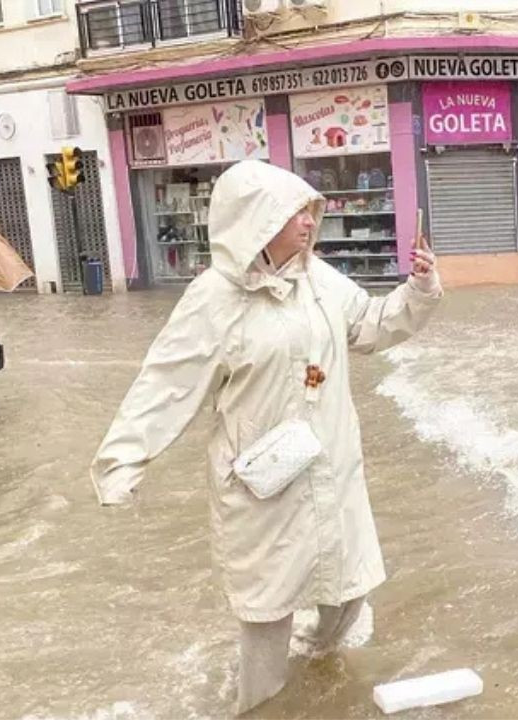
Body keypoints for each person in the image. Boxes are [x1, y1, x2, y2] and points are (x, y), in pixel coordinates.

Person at [89, 161, 442, 715]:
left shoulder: (318, 281)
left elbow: (370, 325)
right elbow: (166, 382)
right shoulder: (214, 299)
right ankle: (259, 706)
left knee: (348, 589)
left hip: (331, 466)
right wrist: (123, 462)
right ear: (256, 221)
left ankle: (315, 662)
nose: (308, 222)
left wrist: (418, 290)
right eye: (294, 212)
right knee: (267, 612)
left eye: (309, 210)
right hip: (262, 483)